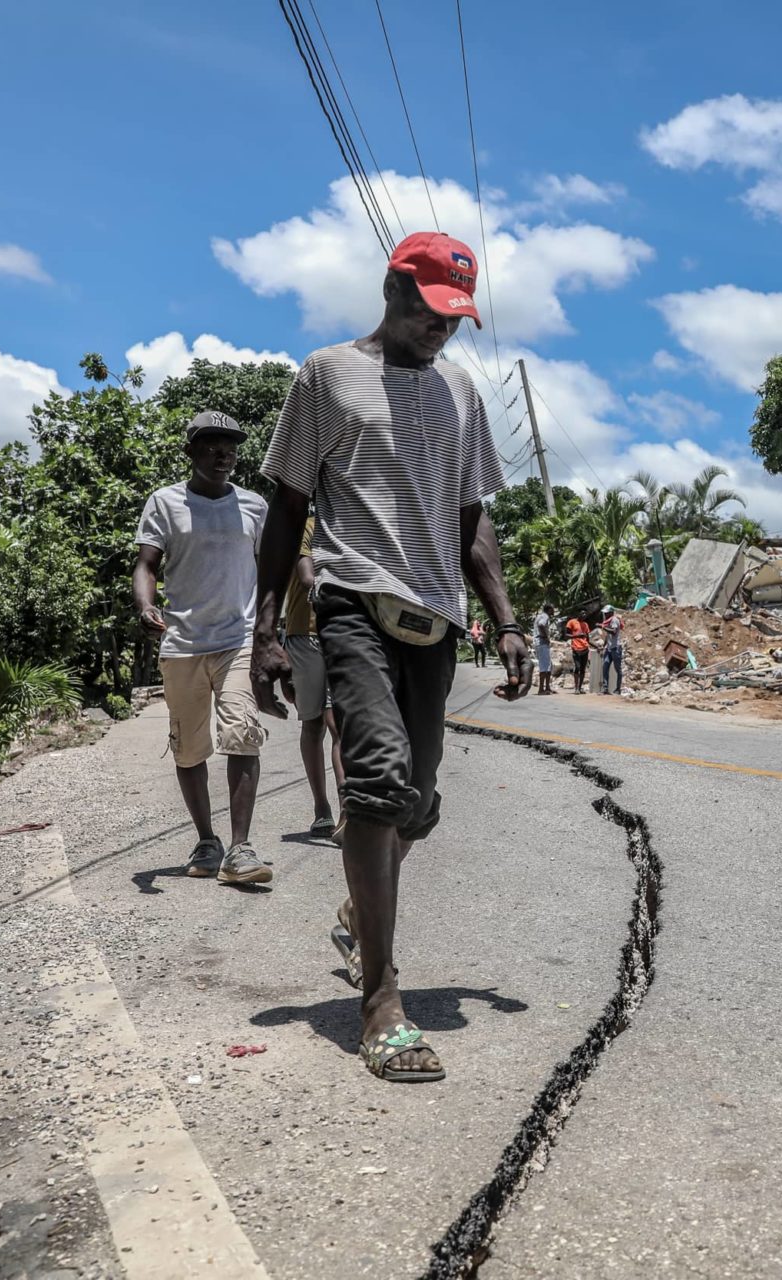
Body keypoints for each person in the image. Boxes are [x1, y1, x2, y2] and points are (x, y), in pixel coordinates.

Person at [251, 230, 530, 1084]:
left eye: (455, 316)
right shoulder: (327, 375)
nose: (441, 328)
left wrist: (507, 621)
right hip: (351, 599)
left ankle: (356, 912)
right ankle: (380, 1002)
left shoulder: (460, 392)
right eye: (430, 310)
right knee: (375, 782)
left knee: (415, 803)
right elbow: (288, 507)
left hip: (435, 615)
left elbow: (472, 516)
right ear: (392, 287)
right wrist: (266, 628)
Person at [132, 411, 272, 886]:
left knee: (243, 733)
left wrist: (272, 631)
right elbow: (146, 564)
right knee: (189, 749)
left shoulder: (254, 506)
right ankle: (207, 840)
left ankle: (240, 848)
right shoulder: (165, 502)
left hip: (239, 639)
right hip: (182, 643)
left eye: (230, 446)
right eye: (211, 445)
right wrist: (146, 606)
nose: (222, 454)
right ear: (189, 451)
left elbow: (270, 569)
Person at [281, 514, 343, 839]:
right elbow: (306, 576)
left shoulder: (354, 523)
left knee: (338, 723)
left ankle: (347, 810)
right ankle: (322, 808)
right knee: (314, 723)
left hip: (344, 634)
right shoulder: (306, 525)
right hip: (304, 636)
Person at [598, 604, 624, 694]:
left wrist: (602, 627)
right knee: (605, 667)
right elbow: (608, 636)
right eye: (605, 613)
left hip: (616, 648)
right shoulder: (608, 621)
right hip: (609, 648)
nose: (605, 615)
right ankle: (605, 688)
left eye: (607, 613)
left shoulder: (614, 620)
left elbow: (613, 632)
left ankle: (618, 689)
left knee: (618, 669)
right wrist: (604, 645)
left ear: (611, 613)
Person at [533, 601, 557, 695]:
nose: (553, 611)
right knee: (544, 666)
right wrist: (546, 637)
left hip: (539, 643)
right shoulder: (545, 616)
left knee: (548, 665)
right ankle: (541, 689)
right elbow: (541, 625)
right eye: (553, 609)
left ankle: (547, 687)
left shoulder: (540, 616)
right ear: (549, 609)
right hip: (542, 642)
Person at [566, 611, 591, 693]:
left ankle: (579, 688)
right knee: (577, 667)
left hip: (585, 649)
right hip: (576, 648)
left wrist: (595, 646)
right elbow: (566, 635)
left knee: (583, 669)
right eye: (582, 613)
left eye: (585, 614)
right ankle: (576, 687)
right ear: (578, 614)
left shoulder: (585, 624)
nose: (584, 615)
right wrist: (577, 636)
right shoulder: (572, 622)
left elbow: (588, 638)